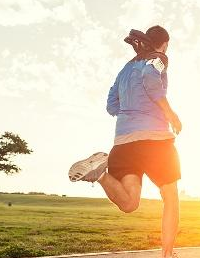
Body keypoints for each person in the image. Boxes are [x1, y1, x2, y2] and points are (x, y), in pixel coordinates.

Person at [68, 25, 182, 258]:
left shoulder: (125, 69)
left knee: (129, 203)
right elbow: (151, 80)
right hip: (155, 141)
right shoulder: (158, 59)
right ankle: (168, 255)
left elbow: (111, 103)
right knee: (170, 197)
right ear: (165, 43)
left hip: (123, 141)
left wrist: (131, 113)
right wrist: (170, 114)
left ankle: (99, 174)